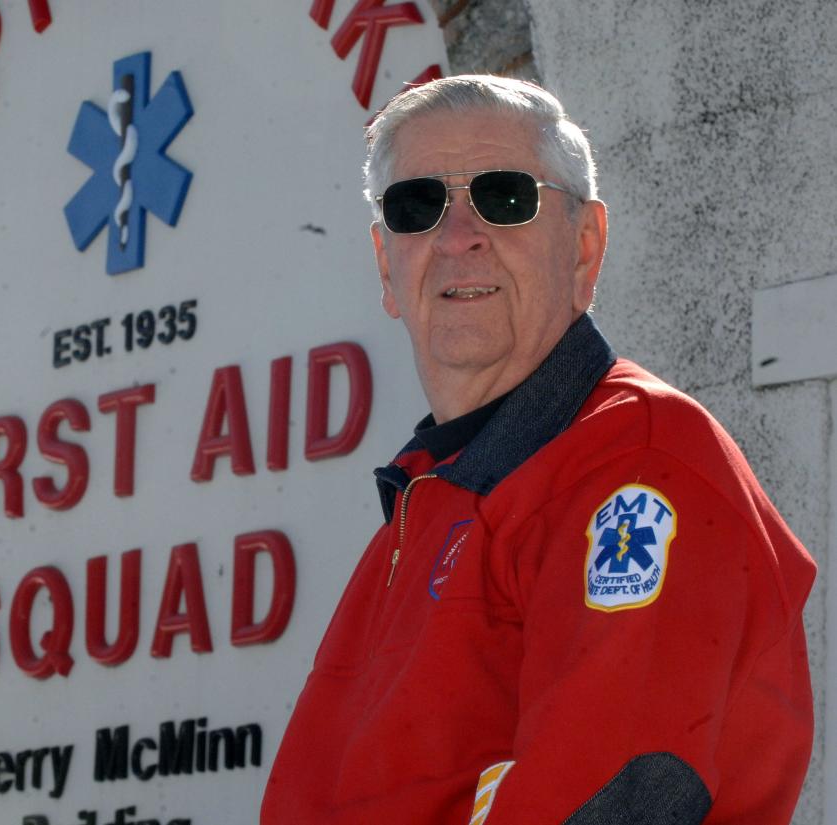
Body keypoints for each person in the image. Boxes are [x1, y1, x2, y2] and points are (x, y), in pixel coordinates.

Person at [260, 75, 815, 825]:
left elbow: (615, 794)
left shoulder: (639, 465)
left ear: (585, 247)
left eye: (505, 196)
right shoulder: (419, 514)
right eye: (417, 207)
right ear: (386, 266)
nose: (458, 237)